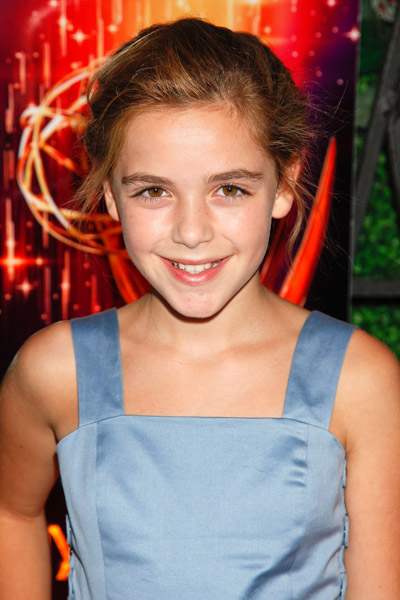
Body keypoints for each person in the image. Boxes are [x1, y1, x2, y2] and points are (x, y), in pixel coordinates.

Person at [0, 17, 399, 600]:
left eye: (229, 189)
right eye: (153, 190)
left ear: (284, 185)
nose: (191, 231)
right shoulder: (55, 371)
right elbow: (12, 513)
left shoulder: (360, 381)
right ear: (110, 193)